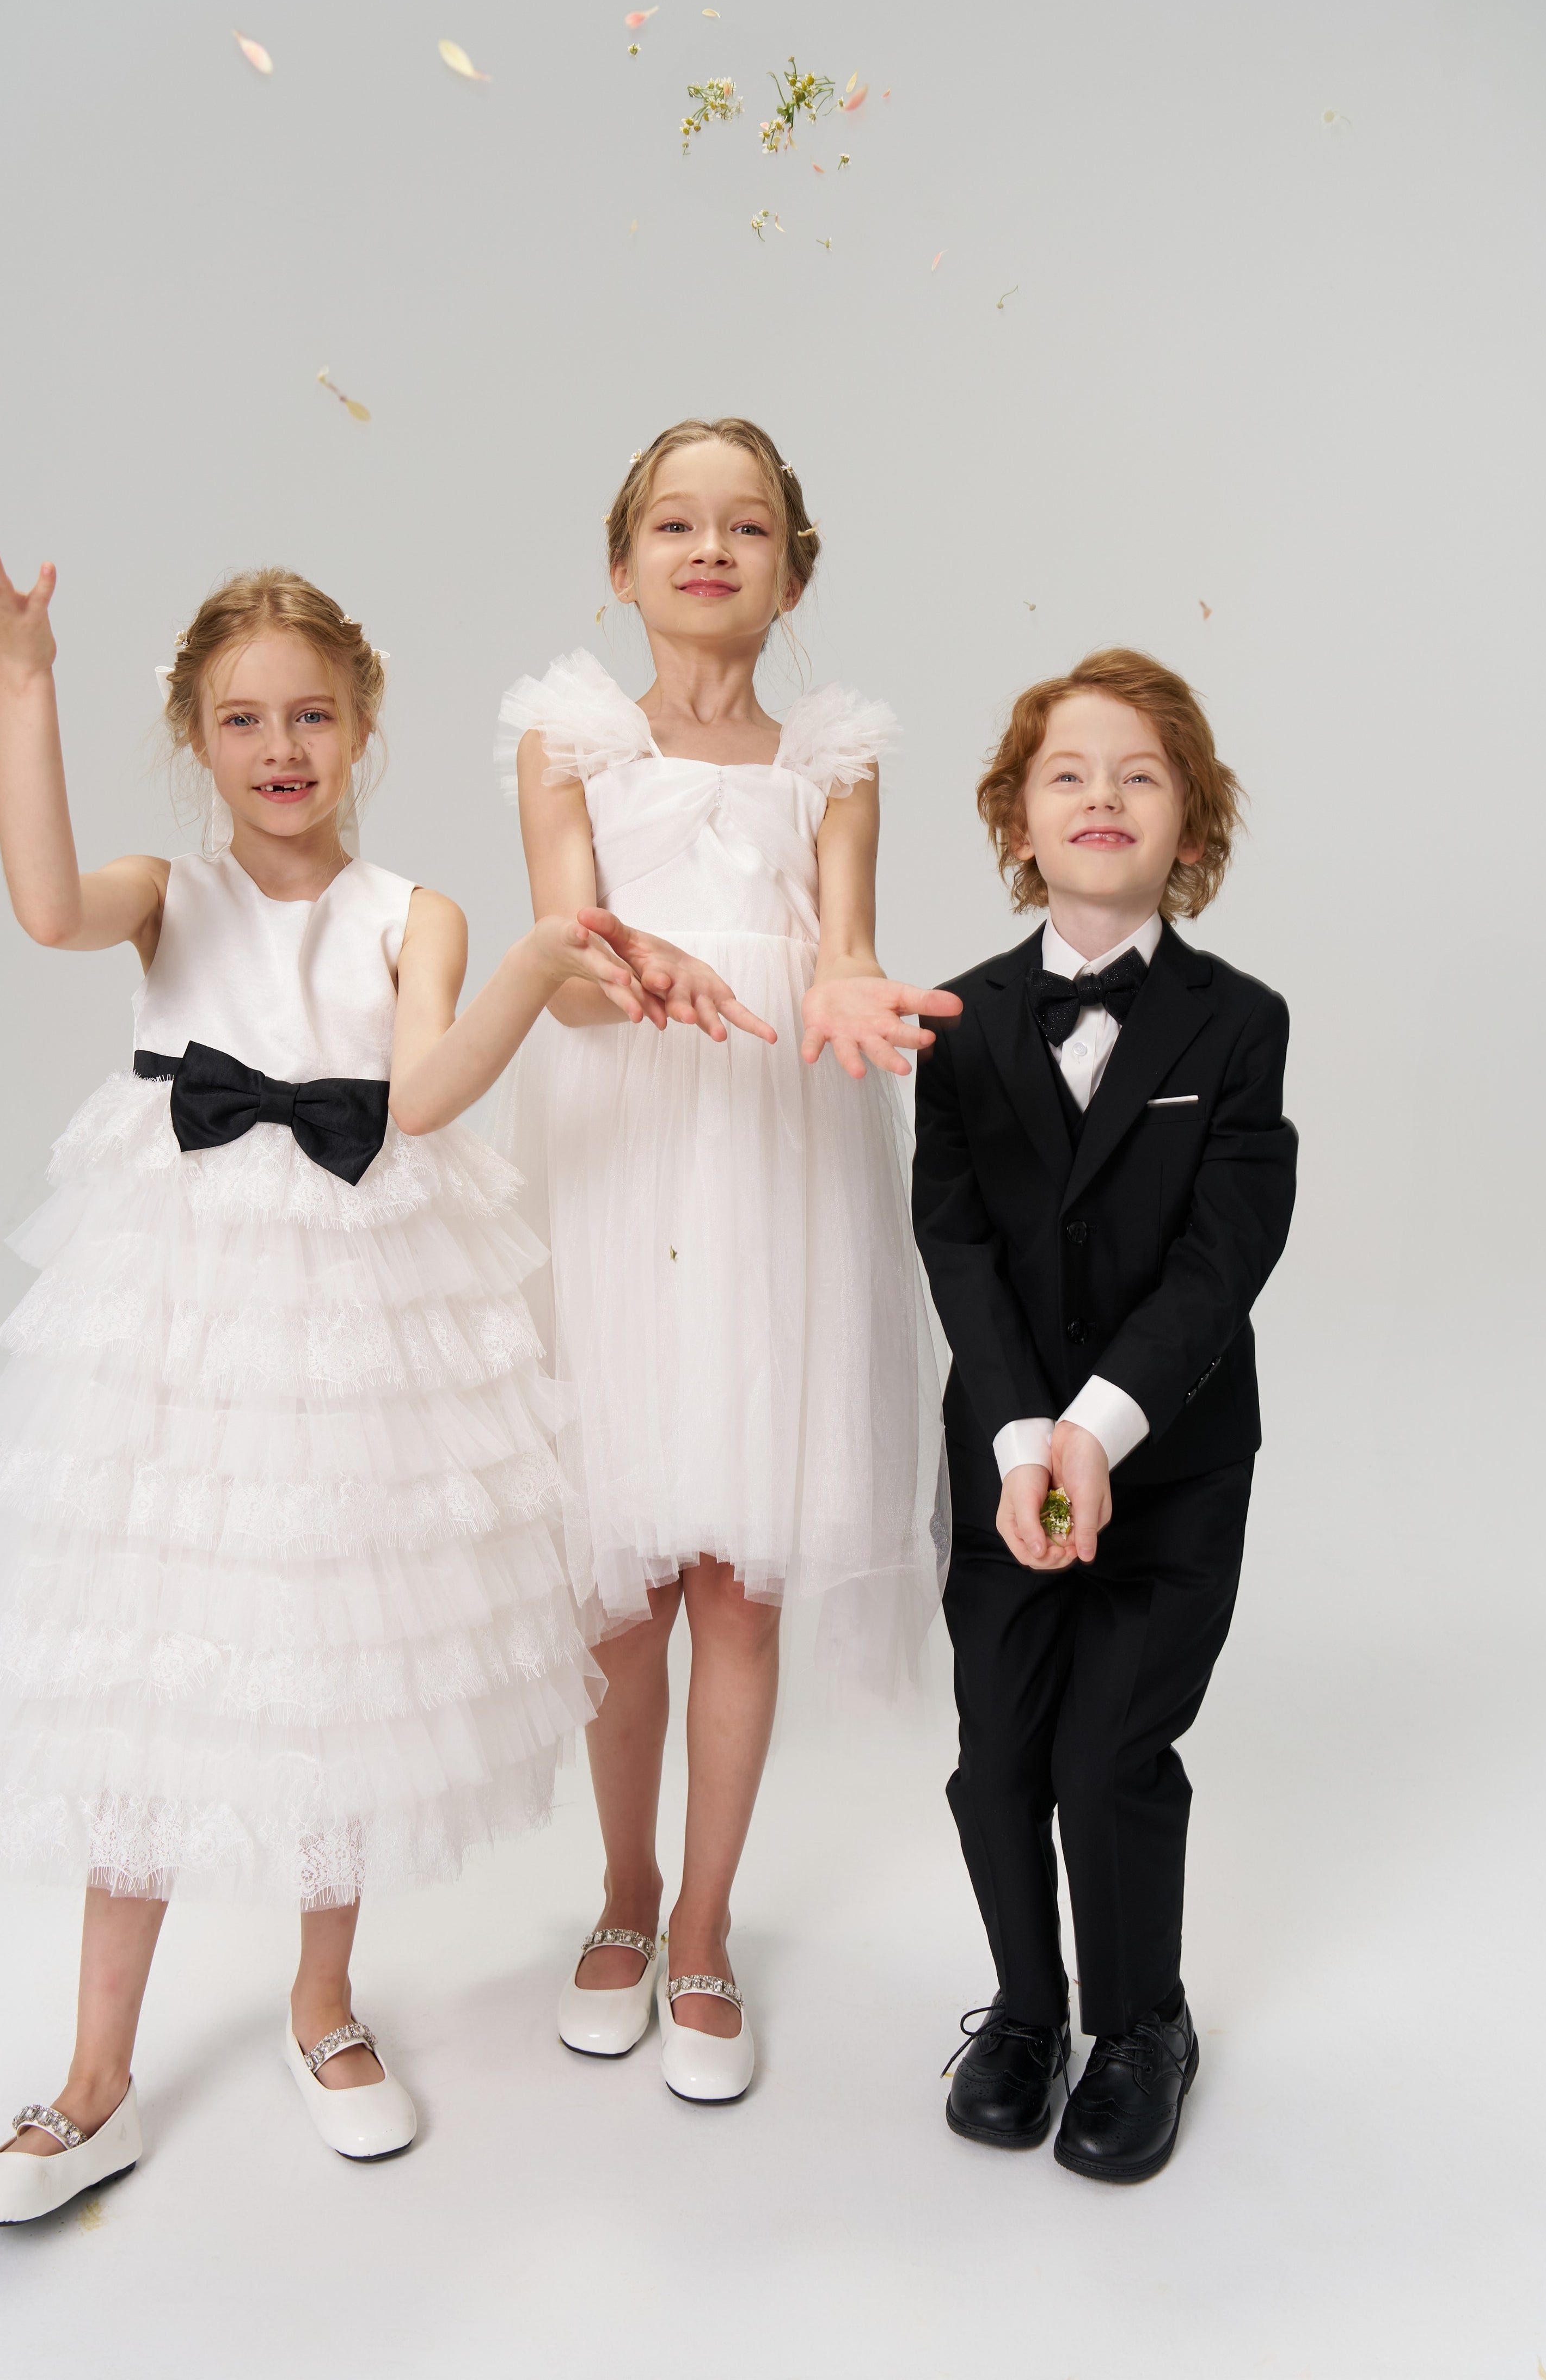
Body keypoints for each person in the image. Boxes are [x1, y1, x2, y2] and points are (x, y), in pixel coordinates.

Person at [0, 534, 646, 2227]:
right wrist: (24, 677)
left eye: (313, 715)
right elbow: (39, 905)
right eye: (243, 721)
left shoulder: (420, 914)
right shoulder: (170, 897)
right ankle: (91, 2085)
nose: (282, 749)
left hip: (357, 1302)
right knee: (153, 1651)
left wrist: (537, 967)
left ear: (365, 722)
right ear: (197, 737)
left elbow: (430, 1091)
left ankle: (324, 2009)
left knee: (342, 1649)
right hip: (182, 1316)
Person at [494, 417, 954, 2102]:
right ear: (623, 566)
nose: (709, 549)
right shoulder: (567, 742)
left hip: (771, 1156)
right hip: (622, 1158)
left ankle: (704, 1923)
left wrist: (844, 986)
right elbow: (566, 944)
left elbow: (844, 948)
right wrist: (635, 964)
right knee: (621, 1584)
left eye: (745, 526)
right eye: (674, 525)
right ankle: (616, 1895)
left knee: (734, 1576)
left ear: (794, 568)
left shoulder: (832, 759)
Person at [913, 647, 1296, 2181]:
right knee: (997, 1750)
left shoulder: (1239, 1022)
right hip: (1004, 1460)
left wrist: (1103, 1426)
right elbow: (956, 1235)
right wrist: (1022, 1437)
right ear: (1017, 819)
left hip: (1171, 1465)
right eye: (1069, 772)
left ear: (1190, 826)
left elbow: (1228, 1252)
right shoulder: (957, 1020)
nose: (1103, 797)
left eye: (1141, 774)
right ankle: (1024, 2009)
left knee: (1106, 1756)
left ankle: (1143, 2024)